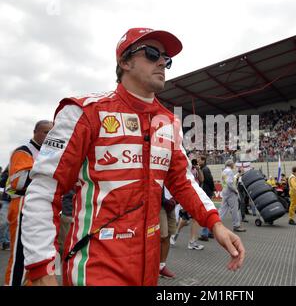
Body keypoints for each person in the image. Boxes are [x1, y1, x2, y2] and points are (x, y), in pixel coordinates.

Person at [20, 28, 245, 286]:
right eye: (152, 54)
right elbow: (44, 190)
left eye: (167, 59)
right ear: (125, 62)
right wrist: (40, 267)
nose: (162, 62)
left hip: (146, 270)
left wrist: (215, 223)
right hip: (95, 268)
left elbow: (183, 182)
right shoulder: (83, 112)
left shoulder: (168, 123)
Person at [4, 120, 53, 286]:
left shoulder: (48, 152)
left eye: (51, 132)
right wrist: (48, 173)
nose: (48, 136)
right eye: (45, 132)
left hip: (43, 207)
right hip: (22, 206)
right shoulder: (24, 151)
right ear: (35, 132)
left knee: (36, 256)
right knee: (20, 257)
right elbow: (18, 182)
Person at [219, 160, 246, 232]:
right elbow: (230, 182)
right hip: (231, 193)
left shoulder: (224, 171)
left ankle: (216, 223)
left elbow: (230, 179)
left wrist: (238, 174)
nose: (234, 165)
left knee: (222, 210)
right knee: (234, 209)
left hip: (225, 192)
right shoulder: (230, 171)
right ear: (231, 164)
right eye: (233, 164)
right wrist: (235, 190)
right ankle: (236, 225)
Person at [159, 187, 177, 279]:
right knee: (162, 236)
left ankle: (162, 266)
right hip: (160, 204)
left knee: (169, 234)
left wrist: (175, 200)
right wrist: (165, 201)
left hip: (172, 204)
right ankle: (155, 266)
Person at [197, 155, 216, 241]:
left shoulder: (205, 169)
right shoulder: (204, 169)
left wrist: (213, 189)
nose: (197, 160)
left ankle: (205, 234)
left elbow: (209, 181)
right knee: (208, 211)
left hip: (206, 192)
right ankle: (209, 232)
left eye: (199, 159)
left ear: (203, 160)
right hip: (207, 192)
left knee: (205, 212)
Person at [0, 166, 11, 251]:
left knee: (9, 223)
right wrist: (5, 174)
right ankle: (2, 241)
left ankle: (6, 243)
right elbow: (1, 184)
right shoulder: (7, 173)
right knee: (3, 222)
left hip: (17, 199)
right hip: (6, 200)